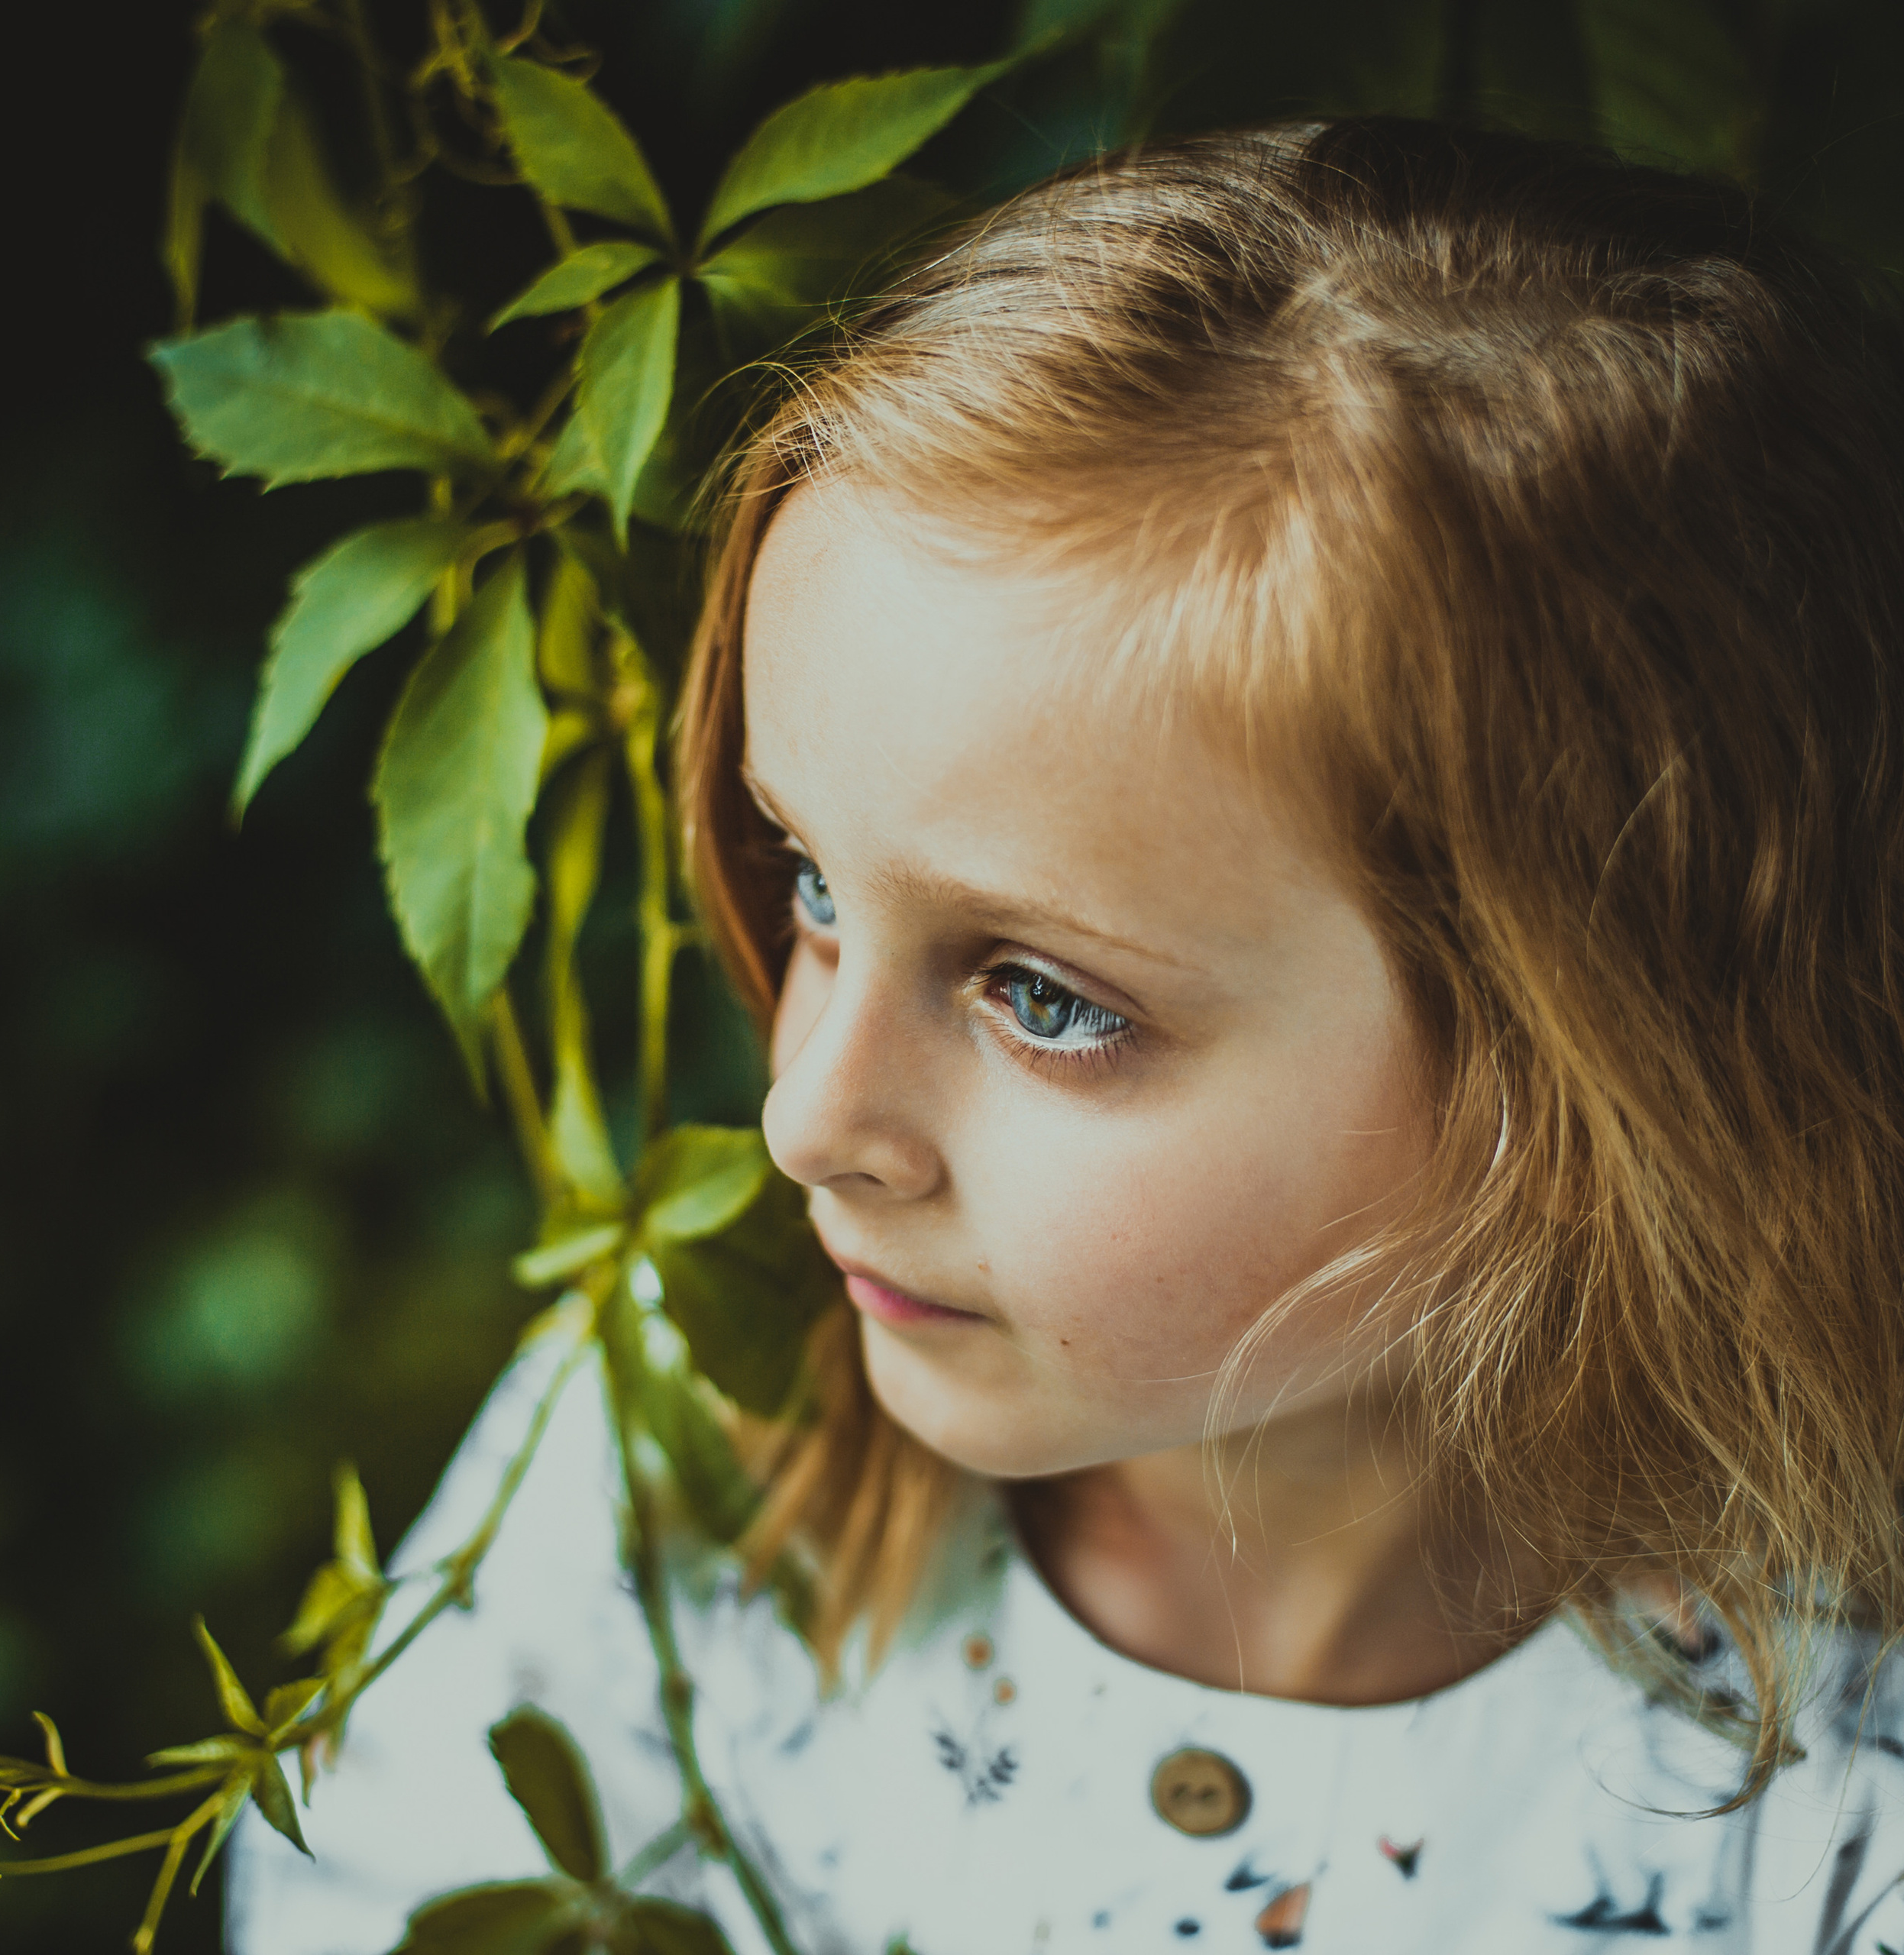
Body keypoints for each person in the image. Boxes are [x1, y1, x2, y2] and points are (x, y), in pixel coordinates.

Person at [230, 118, 1904, 1953]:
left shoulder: (1826, 1767)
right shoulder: (700, 1434)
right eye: (804, 882)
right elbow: (375, 1889)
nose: (803, 1114)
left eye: (1043, 996)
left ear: (1593, 1071)